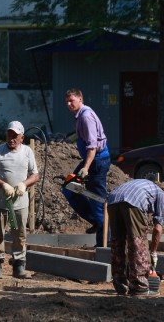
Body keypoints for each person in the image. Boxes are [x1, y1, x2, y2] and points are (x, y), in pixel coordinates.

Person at [0, 121, 39, 279]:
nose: (11, 138)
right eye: (9, 135)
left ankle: (19, 265)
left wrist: (24, 184)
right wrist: (3, 185)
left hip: (20, 203)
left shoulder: (27, 152)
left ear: (22, 137)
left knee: (20, 234)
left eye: (15, 136)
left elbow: (35, 175)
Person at [64, 88, 110, 246]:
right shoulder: (80, 116)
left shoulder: (86, 117)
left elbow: (92, 146)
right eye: (67, 102)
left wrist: (86, 168)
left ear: (80, 100)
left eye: (72, 101)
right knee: (69, 187)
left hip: (96, 161)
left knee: (97, 201)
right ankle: (96, 221)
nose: (69, 104)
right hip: (91, 160)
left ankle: (105, 245)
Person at [108, 179, 164, 296]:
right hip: (133, 201)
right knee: (138, 242)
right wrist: (153, 252)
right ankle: (139, 287)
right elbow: (157, 228)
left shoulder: (145, 187)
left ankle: (120, 284)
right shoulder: (161, 196)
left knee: (117, 242)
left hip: (112, 200)